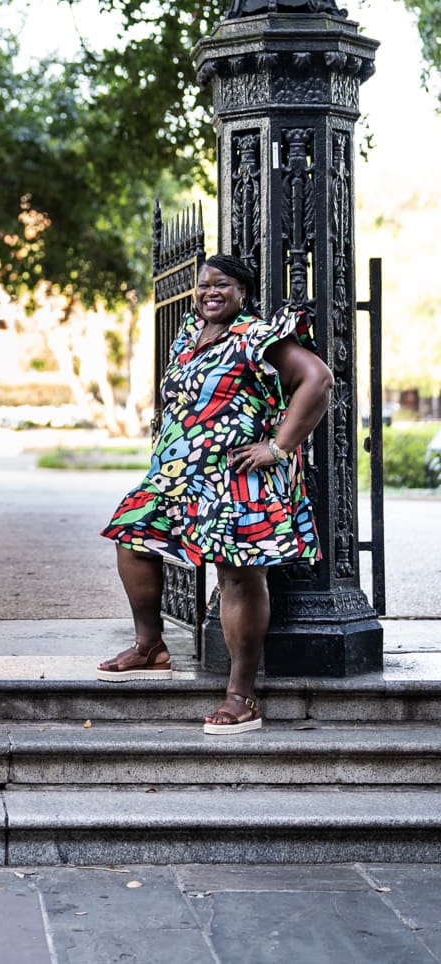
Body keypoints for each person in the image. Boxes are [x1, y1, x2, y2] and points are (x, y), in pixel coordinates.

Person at [98, 254, 333, 734]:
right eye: (203, 285)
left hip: (235, 476)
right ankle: (150, 646)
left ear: (241, 292)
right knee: (132, 536)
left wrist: (278, 446)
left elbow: (318, 380)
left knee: (238, 576)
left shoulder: (257, 336)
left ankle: (241, 695)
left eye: (221, 285)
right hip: (177, 473)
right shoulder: (189, 336)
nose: (209, 292)